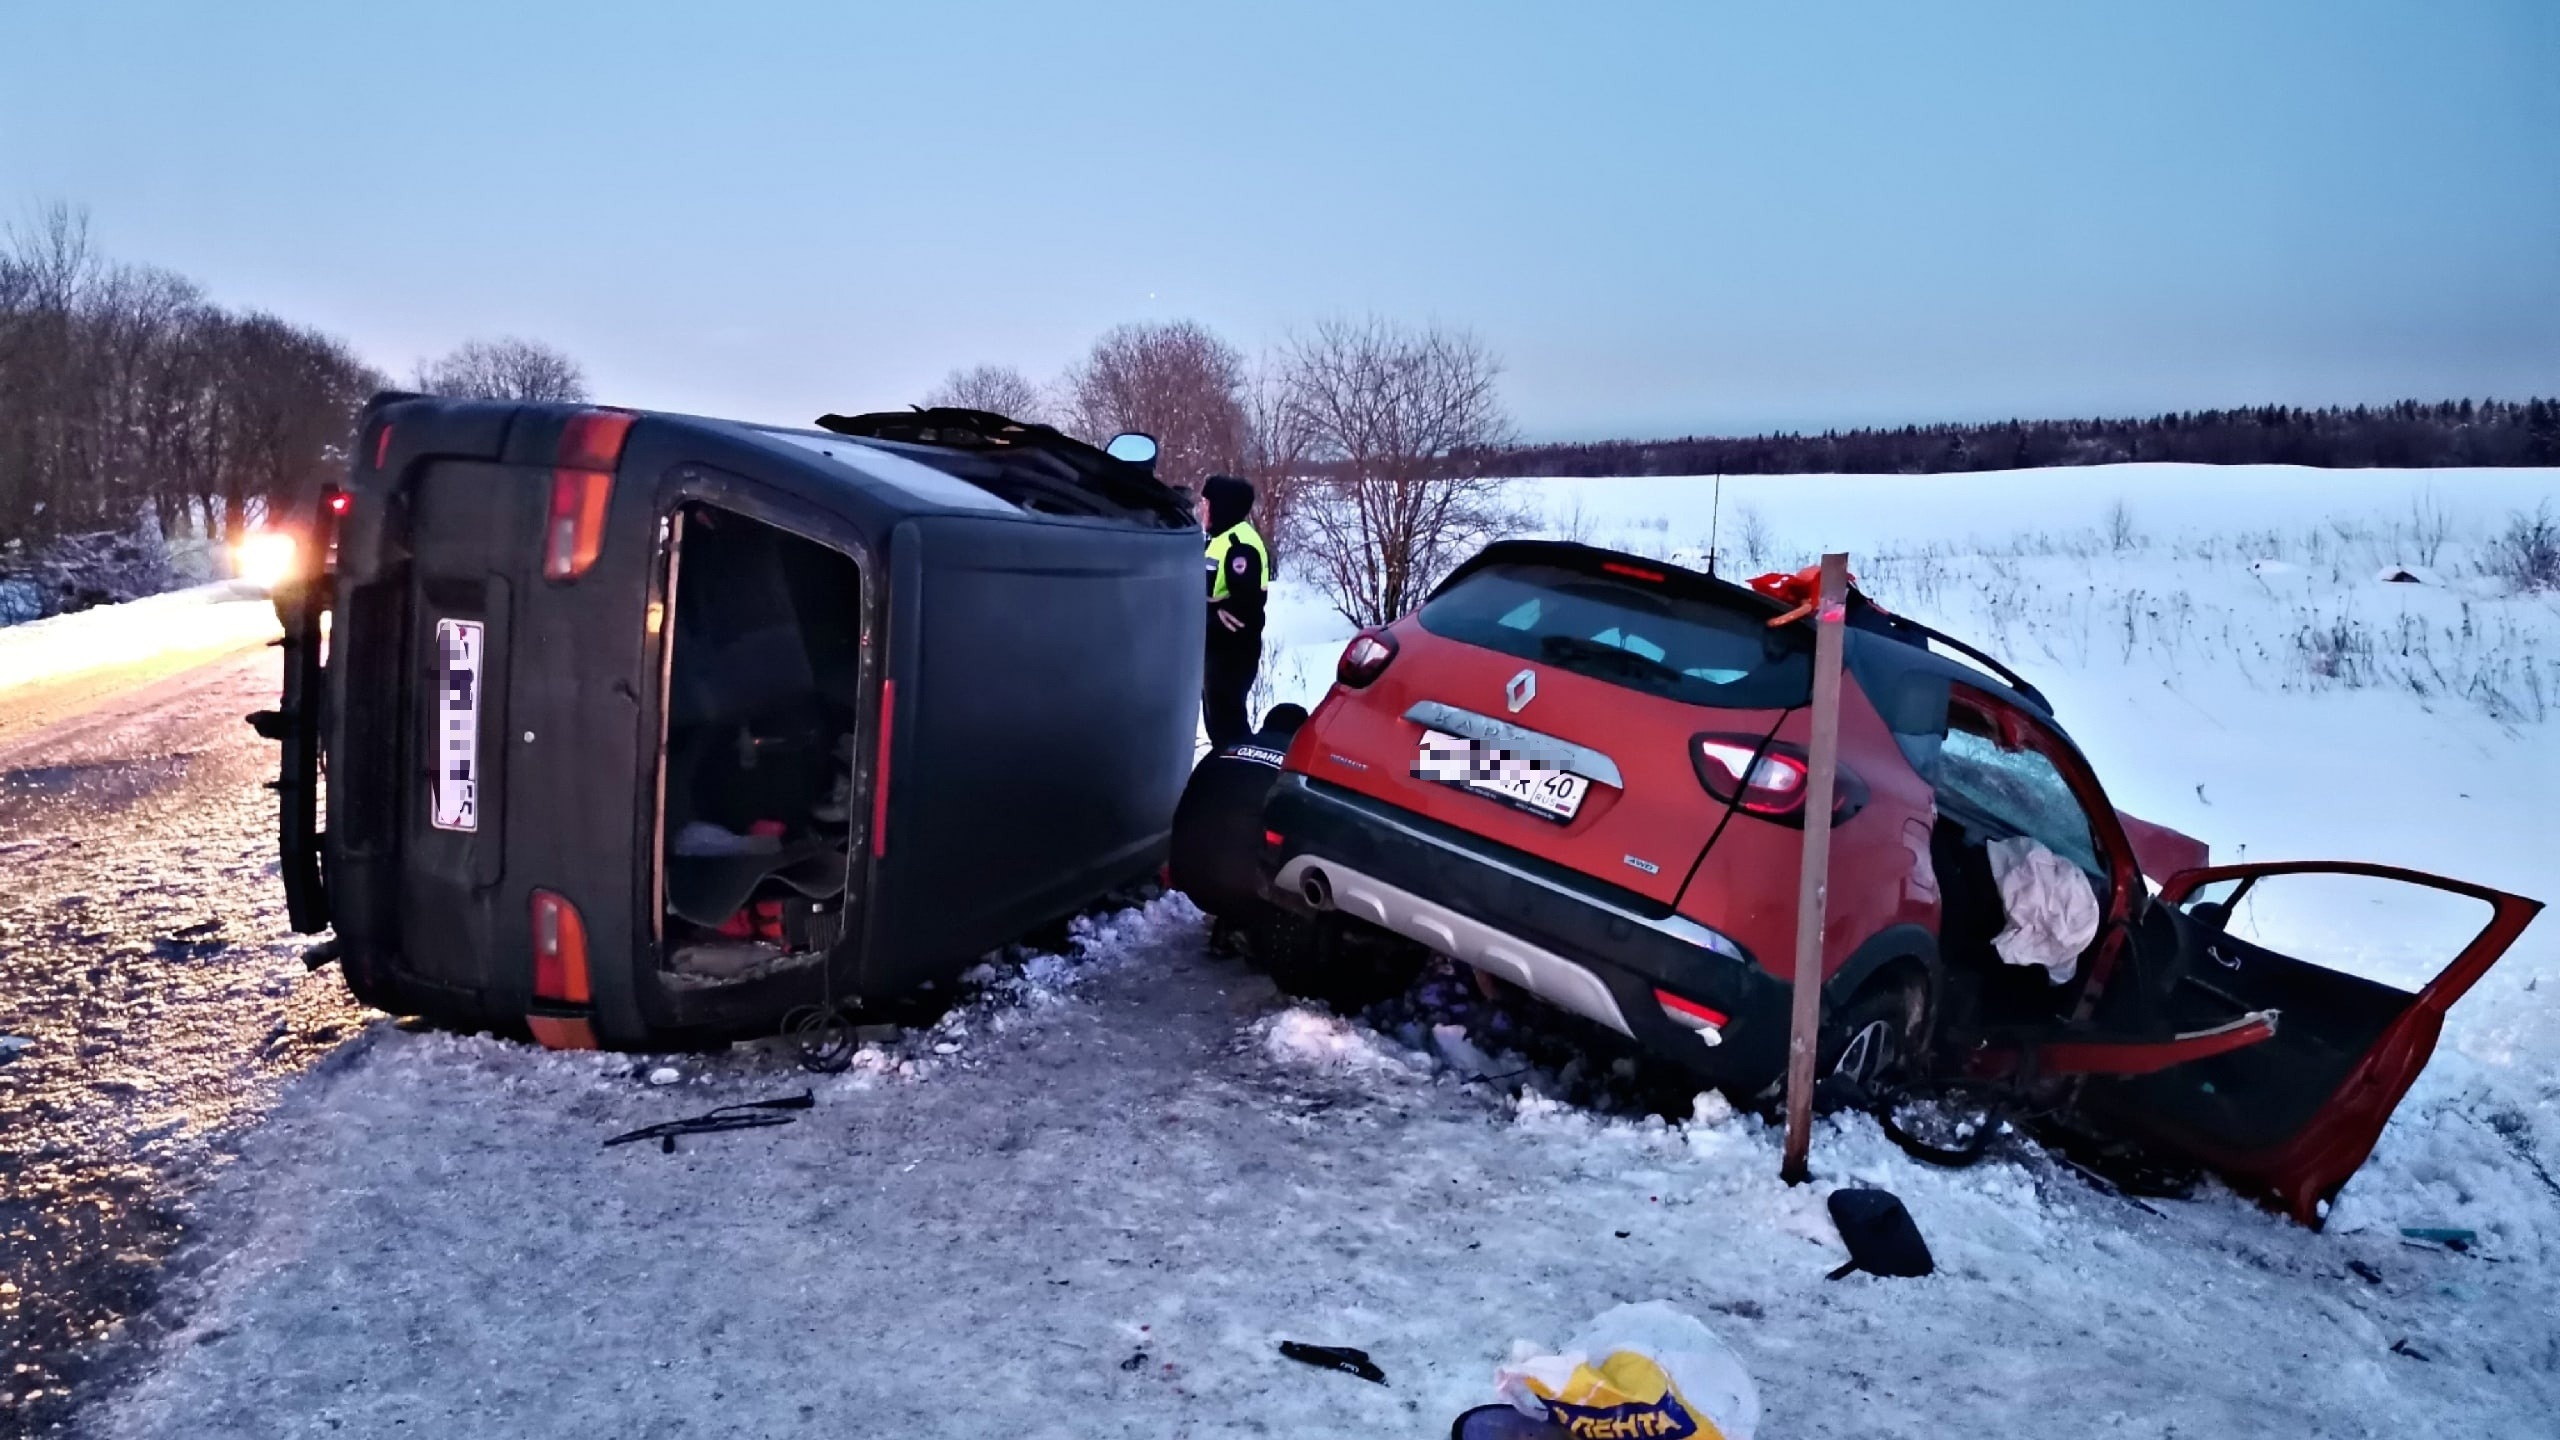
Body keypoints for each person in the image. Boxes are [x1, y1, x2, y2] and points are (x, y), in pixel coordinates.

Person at [1197, 474, 1269, 748]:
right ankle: (1226, 770)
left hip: (1232, 652)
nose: (1202, 509)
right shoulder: (1218, 537)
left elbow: (1244, 607)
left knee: (1229, 726)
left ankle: (1238, 775)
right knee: (1217, 723)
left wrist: (1212, 615)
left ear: (1221, 505)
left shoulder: (1241, 544)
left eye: (1206, 503)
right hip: (1215, 649)